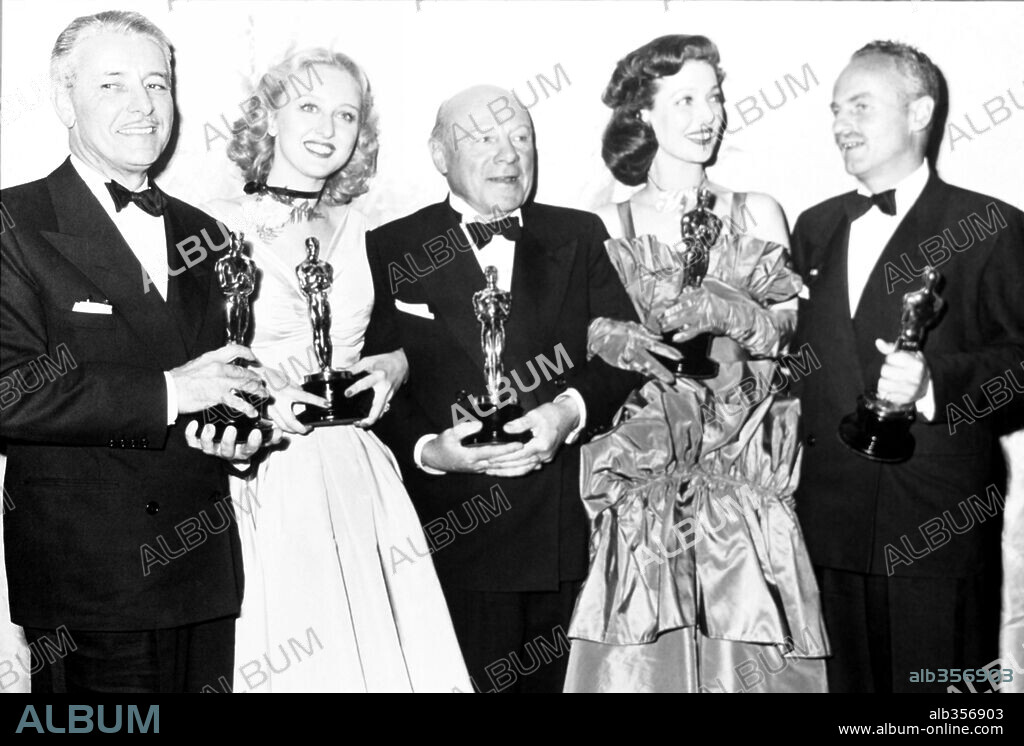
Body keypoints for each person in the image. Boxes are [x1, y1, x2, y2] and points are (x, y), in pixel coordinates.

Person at [0, 10, 270, 693]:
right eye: (113, 85)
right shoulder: (12, 223)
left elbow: (222, 379)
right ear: (64, 100)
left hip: (202, 570)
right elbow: (12, 391)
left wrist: (241, 437)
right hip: (90, 586)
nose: (144, 107)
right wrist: (176, 393)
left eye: (157, 84)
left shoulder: (207, 232)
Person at [563, 34, 829, 692]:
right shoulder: (602, 223)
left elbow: (798, 341)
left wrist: (732, 315)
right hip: (647, 482)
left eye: (712, 97)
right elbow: (574, 349)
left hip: (744, 478)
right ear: (643, 114)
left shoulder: (756, 211)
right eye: (683, 99)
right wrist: (610, 338)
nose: (706, 114)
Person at [203, 48, 470, 692]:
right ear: (269, 118)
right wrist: (263, 407)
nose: (327, 127)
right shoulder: (213, 230)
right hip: (267, 468)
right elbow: (196, 366)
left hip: (358, 472)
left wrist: (396, 367)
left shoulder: (365, 230)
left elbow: (413, 345)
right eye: (308, 106)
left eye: (345, 114)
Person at [362, 85, 641, 693]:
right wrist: (431, 451)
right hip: (451, 533)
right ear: (440, 155)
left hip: (565, 531)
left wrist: (568, 413)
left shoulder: (581, 233)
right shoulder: (392, 246)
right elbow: (376, 382)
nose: (508, 154)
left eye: (520, 138)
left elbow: (627, 356)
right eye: (484, 139)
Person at [789, 41, 1024, 693]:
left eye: (860, 106)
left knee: (944, 711)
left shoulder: (992, 225)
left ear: (919, 111)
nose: (841, 125)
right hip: (829, 525)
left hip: (938, 527)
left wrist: (934, 385)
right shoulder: (813, 227)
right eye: (836, 110)